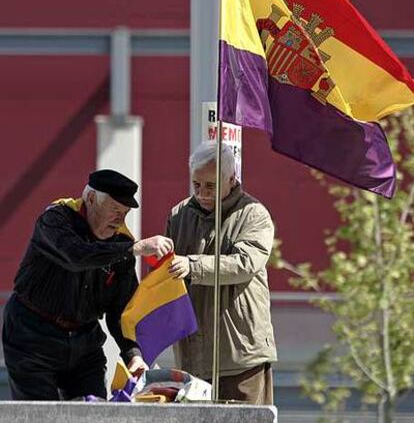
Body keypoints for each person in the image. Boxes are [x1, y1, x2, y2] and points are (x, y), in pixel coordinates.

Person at [2, 169, 174, 401]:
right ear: (91, 199)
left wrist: (133, 354)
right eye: (115, 210)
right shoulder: (56, 219)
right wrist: (134, 249)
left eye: (124, 213)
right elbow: (77, 256)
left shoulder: (122, 243)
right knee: (38, 414)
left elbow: (122, 311)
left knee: (94, 411)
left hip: (84, 341)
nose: (119, 220)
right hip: (32, 336)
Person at [166, 141, 277, 404]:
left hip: (239, 354)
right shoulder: (179, 215)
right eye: (197, 185)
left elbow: (245, 263)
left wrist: (192, 266)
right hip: (193, 354)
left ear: (231, 179)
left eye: (211, 186)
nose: (202, 193)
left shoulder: (253, 214)